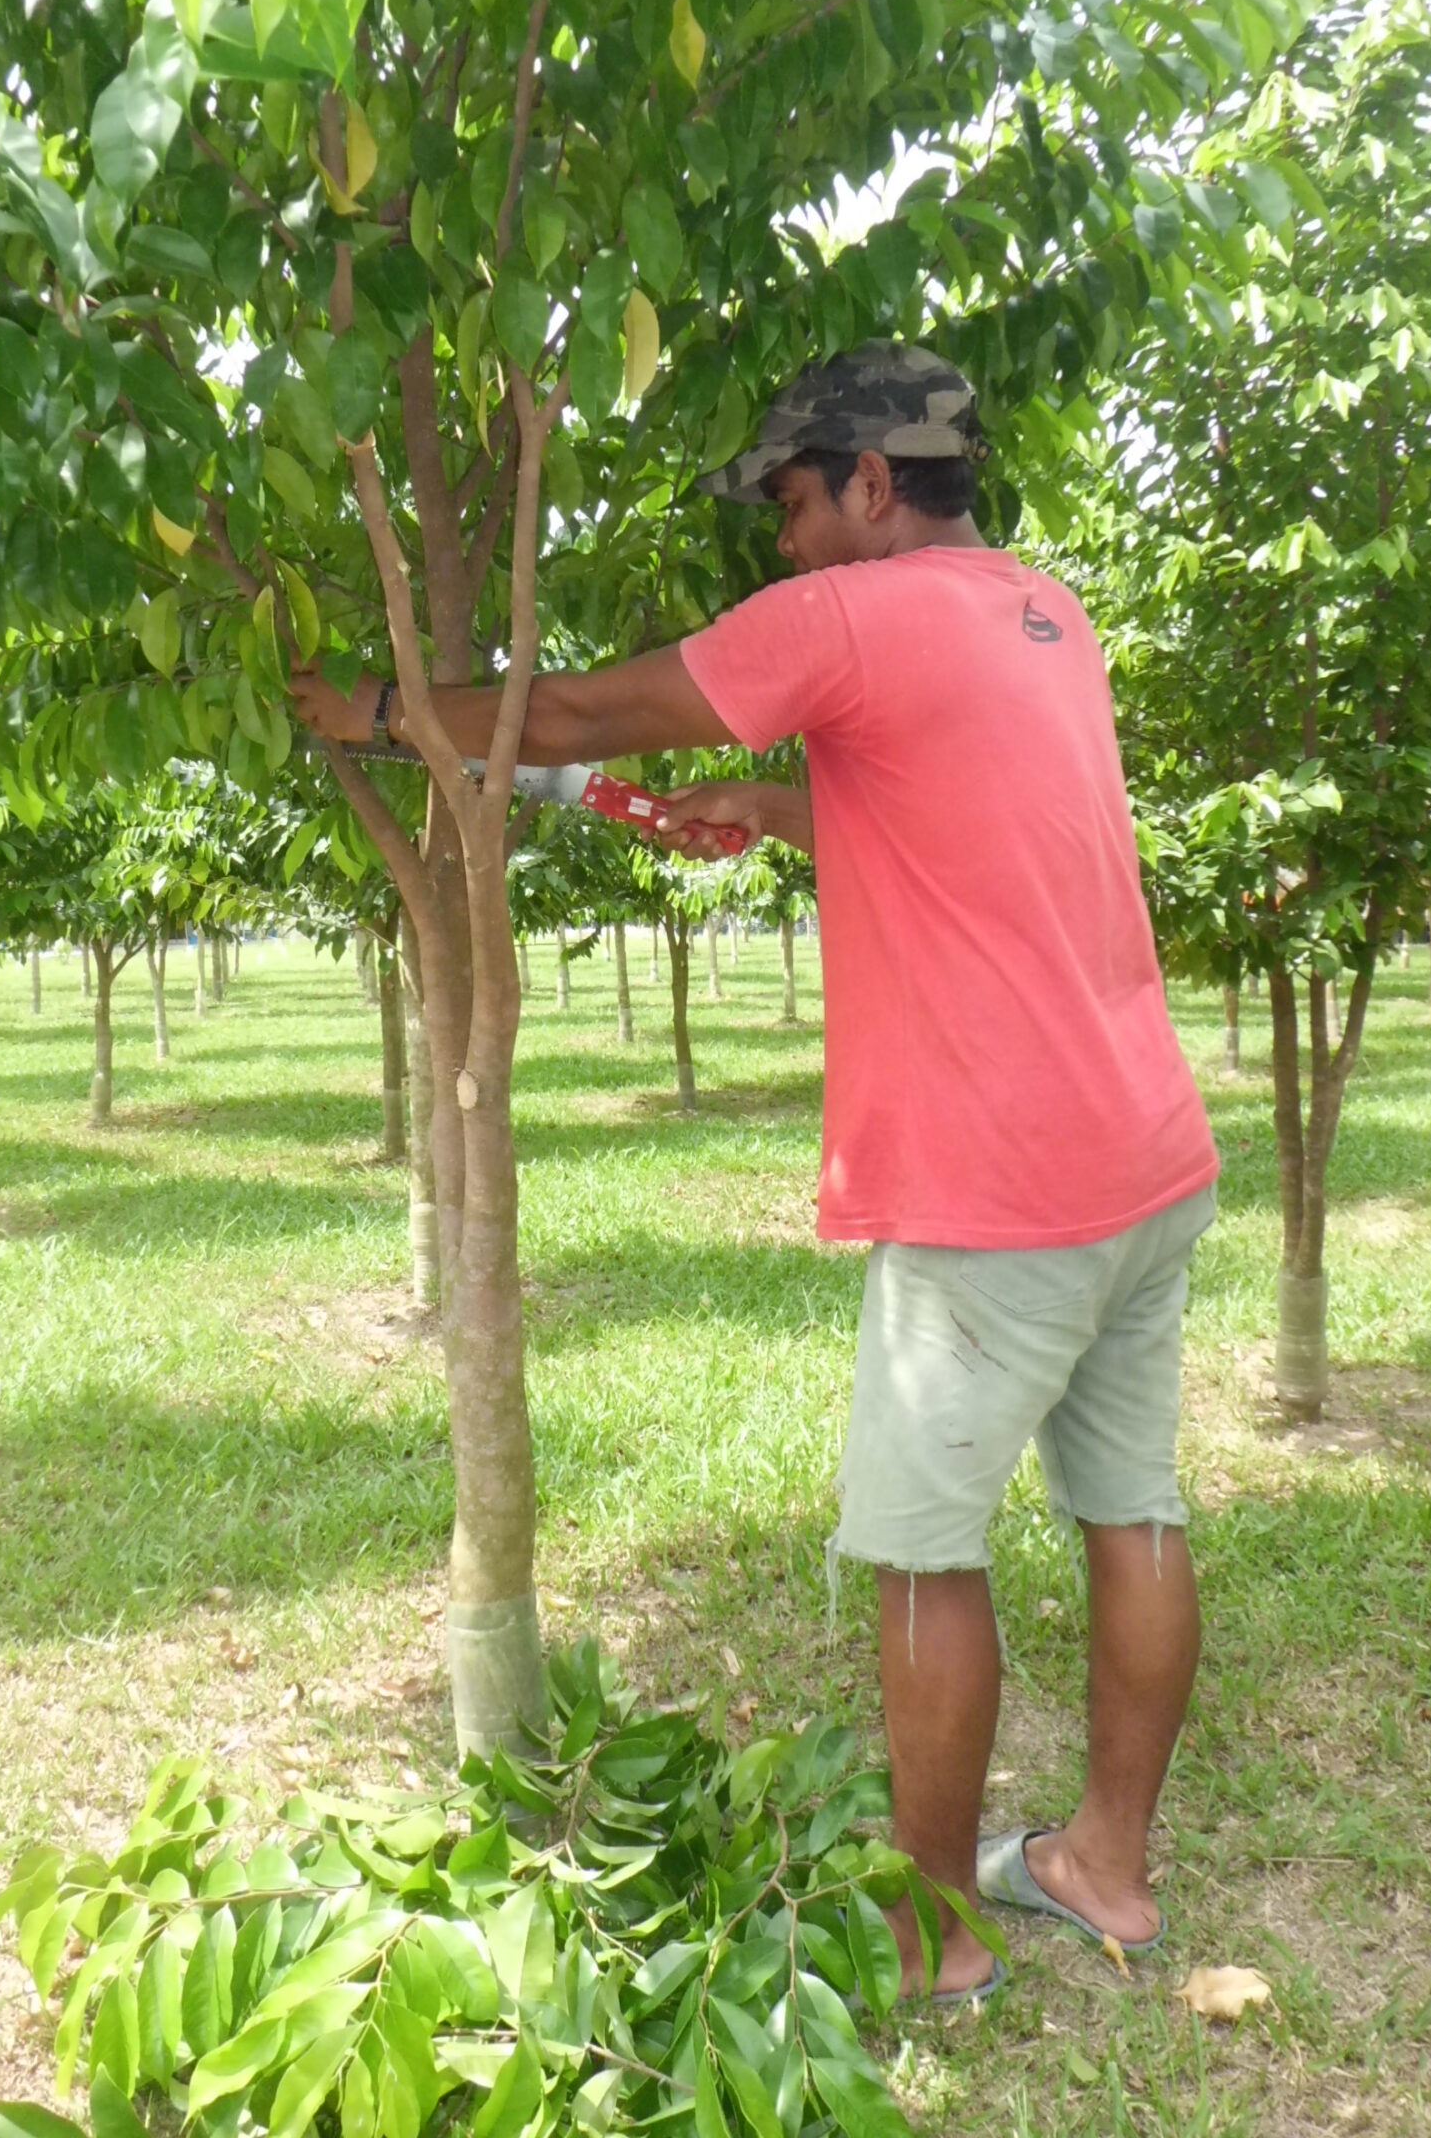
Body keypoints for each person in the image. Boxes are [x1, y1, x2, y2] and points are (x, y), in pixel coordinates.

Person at [292, 341, 1218, 1999]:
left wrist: (364, 713)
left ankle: (932, 1938)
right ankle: (1106, 1871)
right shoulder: (1042, 614)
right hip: (1144, 1155)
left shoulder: (844, 619)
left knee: (926, 1554)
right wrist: (774, 806)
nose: (782, 543)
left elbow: (564, 711)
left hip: (992, 1192)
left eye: (793, 502)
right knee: (1132, 1512)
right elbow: (959, 806)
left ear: (873, 481)